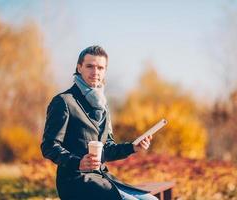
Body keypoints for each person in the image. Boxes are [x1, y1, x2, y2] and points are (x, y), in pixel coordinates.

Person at [41, 45, 158, 200]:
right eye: (90, 66)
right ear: (79, 67)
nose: (95, 72)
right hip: (75, 182)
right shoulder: (64, 101)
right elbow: (49, 146)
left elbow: (107, 149)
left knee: (152, 199)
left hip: (102, 178)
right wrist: (78, 162)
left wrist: (133, 147)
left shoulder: (102, 105)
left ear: (105, 72)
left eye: (100, 68)